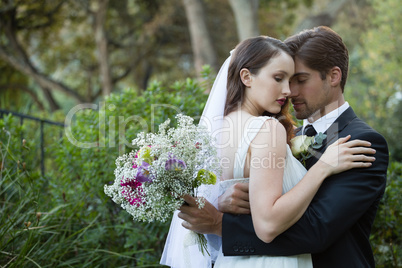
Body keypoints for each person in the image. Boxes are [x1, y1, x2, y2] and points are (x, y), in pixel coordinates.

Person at [178, 26, 389, 268]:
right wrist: (227, 202)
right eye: (284, 79)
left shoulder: (363, 142)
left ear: (333, 76)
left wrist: (220, 224)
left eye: (300, 80)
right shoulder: (282, 135)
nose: (290, 92)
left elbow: (316, 229)